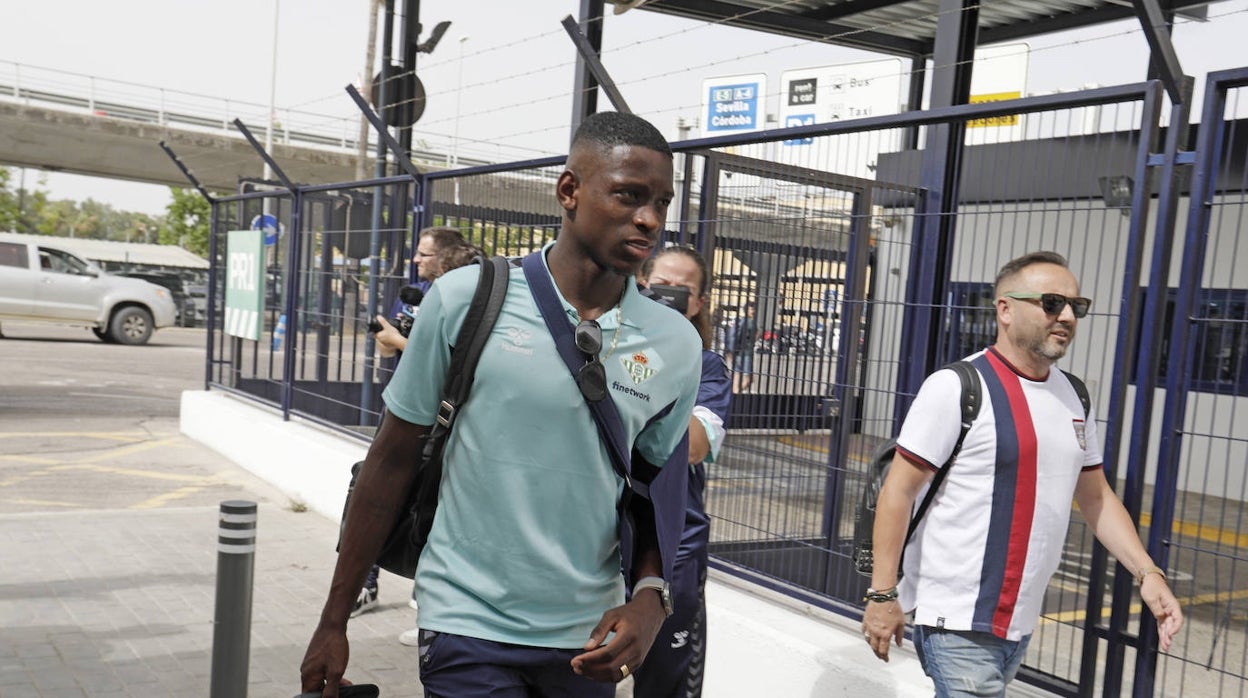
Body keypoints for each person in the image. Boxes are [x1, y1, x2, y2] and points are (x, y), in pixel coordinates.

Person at [301, 111, 703, 698]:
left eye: (661, 203)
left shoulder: (675, 344)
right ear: (569, 190)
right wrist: (332, 620)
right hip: (465, 619)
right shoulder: (466, 300)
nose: (648, 219)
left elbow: (653, 492)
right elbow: (389, 461)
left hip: (586, 638)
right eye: (628, 196)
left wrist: (649, 598)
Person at [863, 251, 1184, 697]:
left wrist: (1148, 574)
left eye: (1077, 305)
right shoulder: (956, 388)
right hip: (957, 621)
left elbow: (1096, 497)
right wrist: (882, 595)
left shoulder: (1074, 395)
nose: (1068, 316)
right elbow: (897, 492)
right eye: (1052, 302)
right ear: (1005, 309)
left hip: (1019, 621)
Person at [353, 233, 484, 621]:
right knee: (378, 490)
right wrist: (387, 338)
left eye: (424, 254)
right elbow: (388, 347)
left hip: (442, 419)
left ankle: (426, 596)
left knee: (427, 502)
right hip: (403, 409)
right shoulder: (414, 294)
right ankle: (367, 582)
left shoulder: (465, 298)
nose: (415, 260)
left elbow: (452, 363)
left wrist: (400, 341)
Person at [634, 245, 731, 698]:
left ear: (699, 303)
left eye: (681, 291)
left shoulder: (707, 367)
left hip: (674, 551)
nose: (668, 297)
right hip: (595, 547)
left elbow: (693, 444)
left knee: (667, 685)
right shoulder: (604, 345)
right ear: (640, 286)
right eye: (659, 288)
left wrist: (664, 361)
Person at [373, 227, 475, 359]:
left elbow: (442, 360)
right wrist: (392, 334)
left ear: (446, 257)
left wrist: (397, 340)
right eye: (417, 253)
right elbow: (386, 352)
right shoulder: (411, 294)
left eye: (423, 255)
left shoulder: (463, 300)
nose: (415, 259)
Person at [731, 301, 757, 393]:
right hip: (746, 354)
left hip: (737, 353)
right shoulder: (750, 322)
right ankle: (737, 393)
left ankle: (733, 395)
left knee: (737, 376)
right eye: (752, 308)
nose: (754, 310)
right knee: (749, 379)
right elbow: (754, 338)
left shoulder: (740, 321)